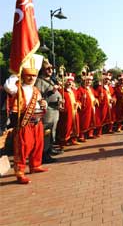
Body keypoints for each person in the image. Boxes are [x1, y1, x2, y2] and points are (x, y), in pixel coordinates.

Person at [4, 54, 48, 184]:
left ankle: (35, 165)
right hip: (24, 122)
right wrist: (15, 73)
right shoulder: (17, 88)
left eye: (34, 75)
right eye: (29, 75)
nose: (32, 78)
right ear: (23, 75)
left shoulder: (36, 90)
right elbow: (7, 87)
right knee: (23, 147)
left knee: (38, 145)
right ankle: (20, 172)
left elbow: (40, 102)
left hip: (37, 121)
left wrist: (44, 103)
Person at [34, 58, 63, 163]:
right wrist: (51, 92)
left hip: (55, 109)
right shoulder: (39, 81)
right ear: (42, 70)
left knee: (52, 132)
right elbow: (38, 96)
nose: (50, 70)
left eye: (51, 68)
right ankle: (44, 154)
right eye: (48, 69)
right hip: (48, 110)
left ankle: (49, 150)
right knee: (46, 133)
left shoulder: (51, 80)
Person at [56, 73, 80, 147]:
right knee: (65, 127)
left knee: (74, 125)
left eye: (71, 81)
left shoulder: (74, 91)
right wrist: (60, 103)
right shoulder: (61, 91)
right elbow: (57, 101)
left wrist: (78, 103)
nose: (70, 83)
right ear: (64, 82)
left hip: (74, 111)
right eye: (68, 81)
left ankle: (73, 140)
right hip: (66, 112)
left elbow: (78, 99)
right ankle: (63, 142)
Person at [76, 70, 97, 141]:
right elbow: (77, 99)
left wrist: (96, 99)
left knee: (91, 120)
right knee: (84, 122)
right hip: (84, 109)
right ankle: (81, 136)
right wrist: (80, 101)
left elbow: (95, 96)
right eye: (87, 80)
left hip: (92, 107)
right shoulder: (80, 89)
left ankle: (90, 133)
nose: (89, 82)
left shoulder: (91, 89)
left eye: (90, 80)